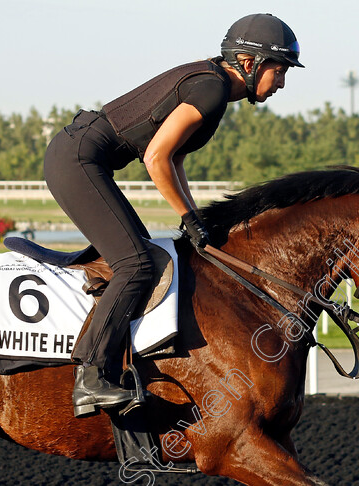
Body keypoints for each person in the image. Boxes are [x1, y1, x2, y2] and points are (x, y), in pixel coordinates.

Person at [43, 13, 304, 418]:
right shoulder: (212, 89)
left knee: (140, 256)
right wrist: (186, 215)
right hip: (77, 159)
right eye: (280, 71)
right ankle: (92, 376)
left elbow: (176, 157)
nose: (283, 83)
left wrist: (194, 216)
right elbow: (155, 156)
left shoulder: (213, 85)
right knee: (137, 264)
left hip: (82, 156)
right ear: (250, 63)